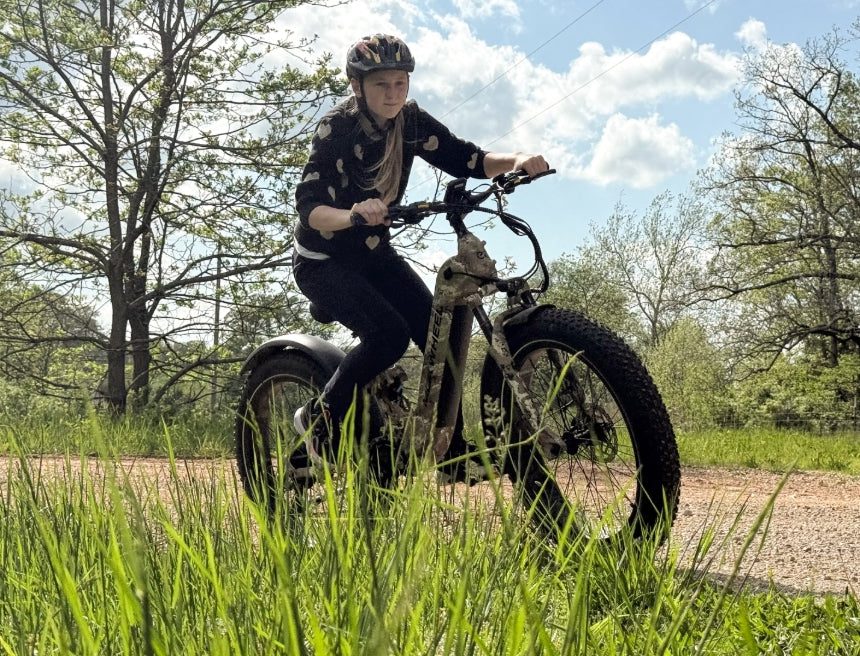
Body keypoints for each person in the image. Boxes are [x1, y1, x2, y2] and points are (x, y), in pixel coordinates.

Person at [292, 33, 548, 476]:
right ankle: (318, 418)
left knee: (440, 332)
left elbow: (466, 158)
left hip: (374, 254)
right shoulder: (336, 128)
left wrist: (516, 159)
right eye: (381, 85)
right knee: (387, 336)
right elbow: (310, 208)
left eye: (400, 84)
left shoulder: (410, 123)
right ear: (357, 86)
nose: (392, 94)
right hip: (324, 261)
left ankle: (448, 449)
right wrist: (353, 213)